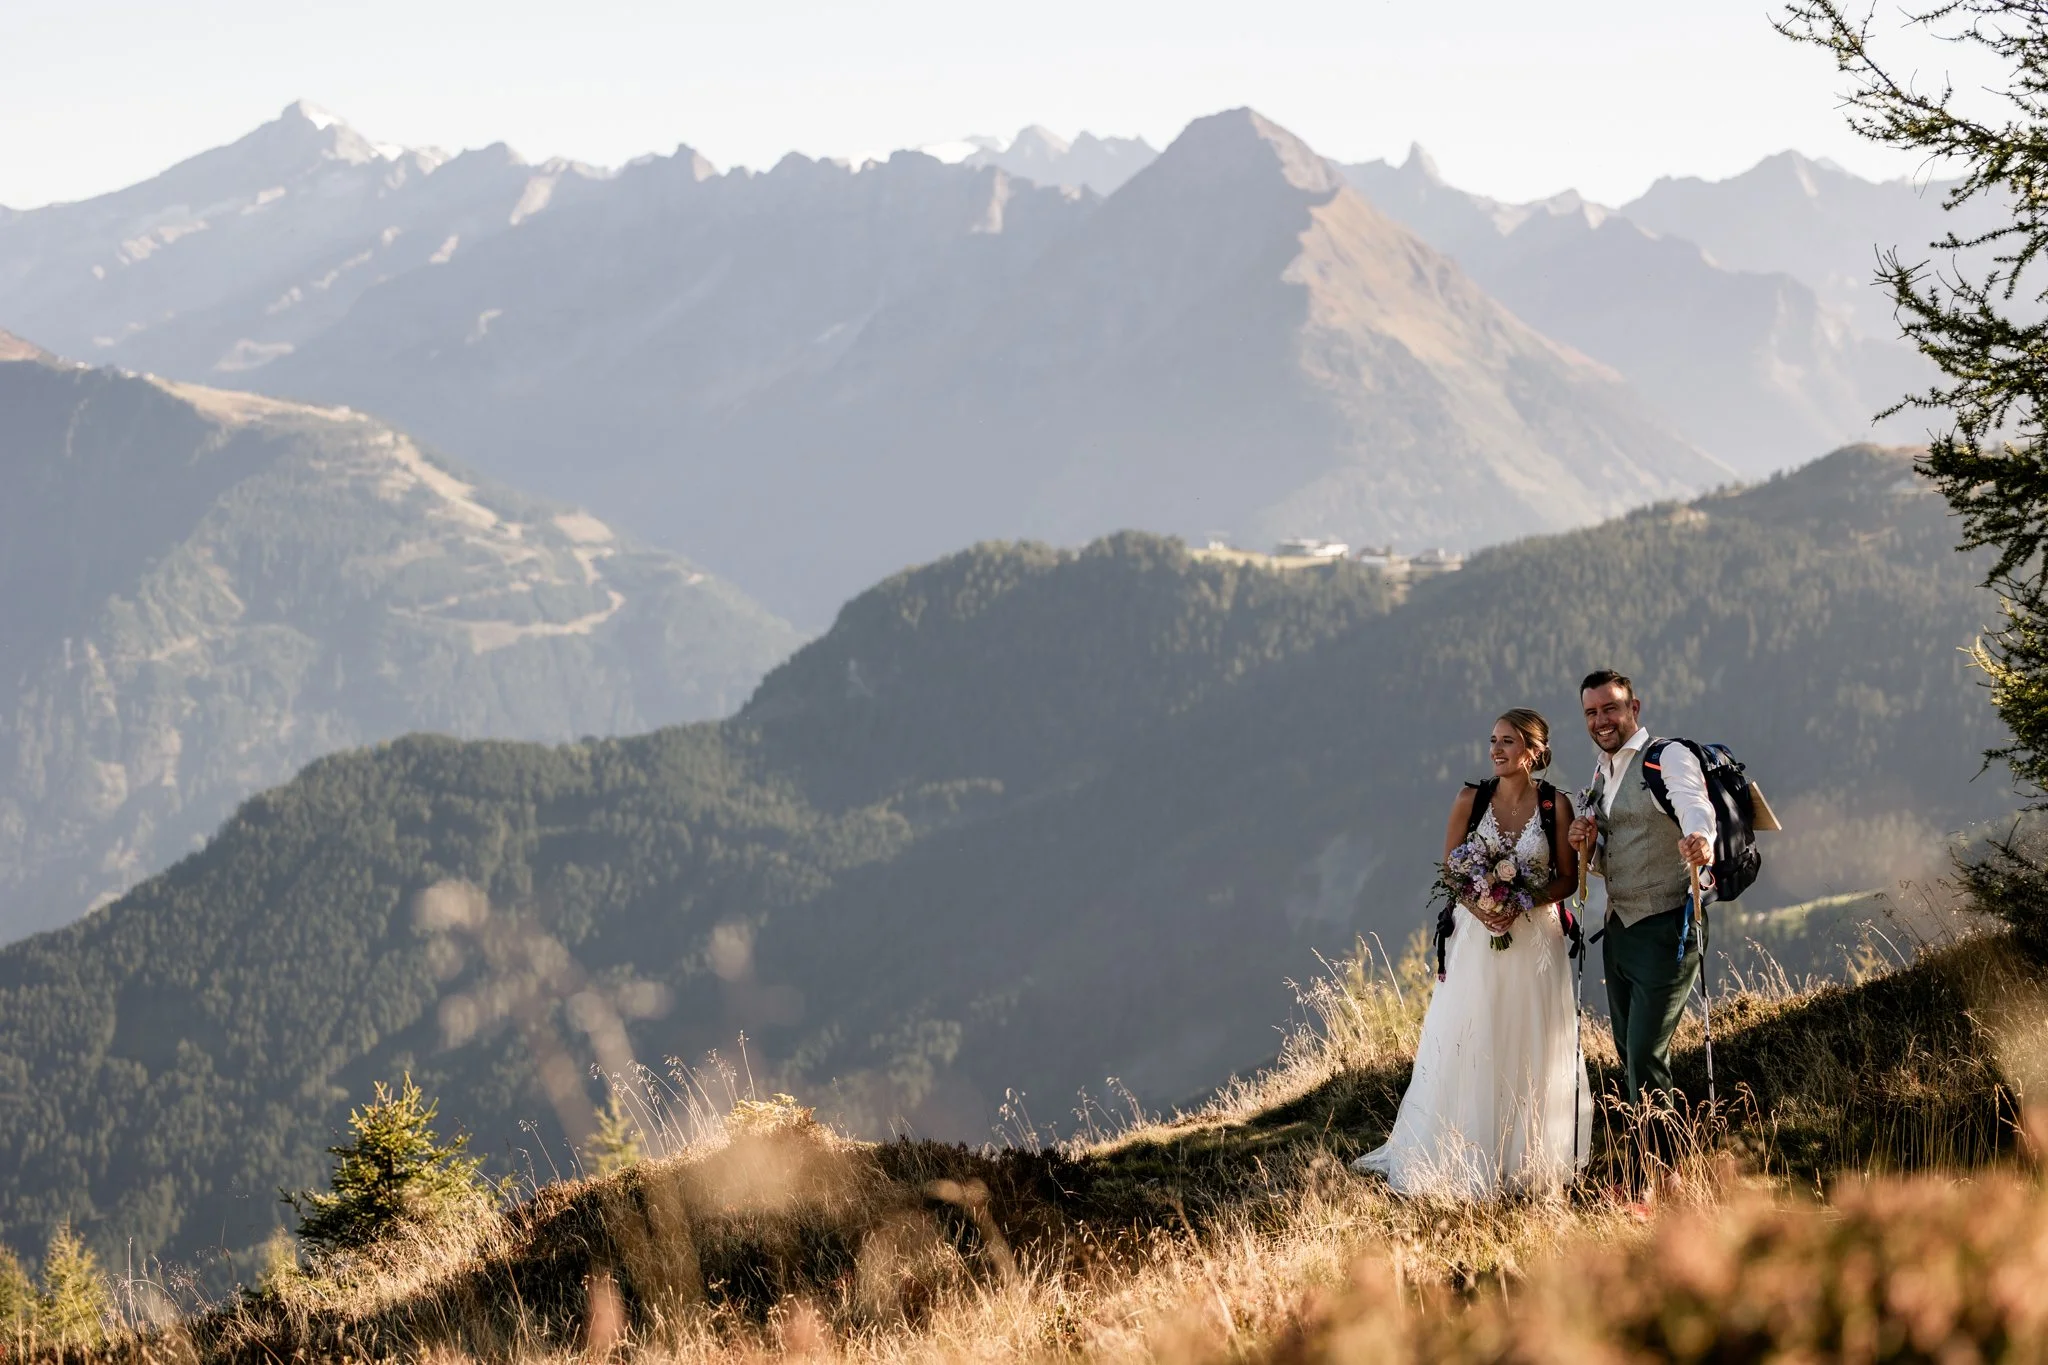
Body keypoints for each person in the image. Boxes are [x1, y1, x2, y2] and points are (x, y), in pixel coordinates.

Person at [1351, 709, 1592, 1199]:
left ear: (1533, 751)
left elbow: (1568, 877)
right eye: (1493, 741)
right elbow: (1452, 872)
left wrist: (1523, 899)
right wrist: (1483, 911)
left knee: (1530, 1041)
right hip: (1475, 939)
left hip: (1535, 943)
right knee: (1472, 1037)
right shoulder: (1470, 799)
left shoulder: (1556, 806)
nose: (1496, 750)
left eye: (1508, 742)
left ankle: (1526, 1161)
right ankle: (1464, 1155)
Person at [1567, 669, 1715, 1179]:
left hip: (1669, 924)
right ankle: (1658, 1170)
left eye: (1610, 708)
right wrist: (1588, 845)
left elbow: (1695, 804)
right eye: (1591, 712)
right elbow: (1615, 858)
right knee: (1629, 1055)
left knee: (1646, 1055)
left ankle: (1658, 1178)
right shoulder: (1599, 774)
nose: (1601, 720)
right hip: (1620, 929)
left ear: (1636, 707)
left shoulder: (1666, 756)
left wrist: (1701, 839)